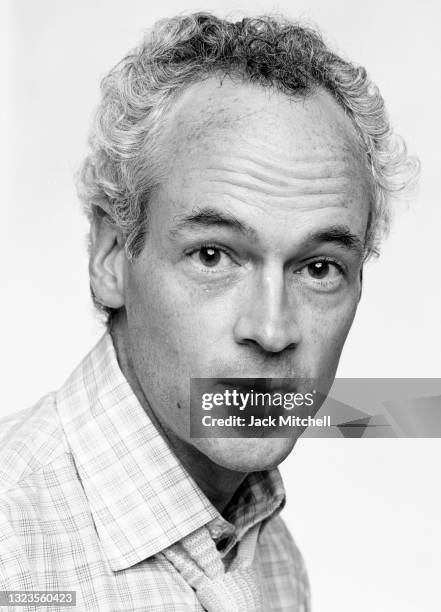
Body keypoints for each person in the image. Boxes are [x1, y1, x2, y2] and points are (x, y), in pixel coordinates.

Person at [0, 12, 417, 612]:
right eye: (214, 255)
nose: (272, 331)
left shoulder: (268, 556)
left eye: (319, 267)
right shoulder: (16, 559)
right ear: (113, 255)